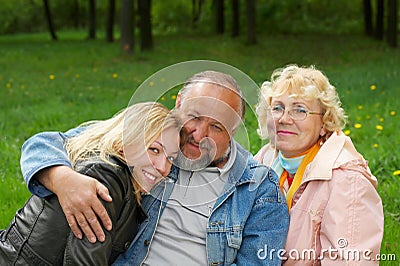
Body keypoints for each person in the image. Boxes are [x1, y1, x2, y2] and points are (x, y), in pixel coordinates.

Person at [20, 70, 289, 265]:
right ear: (179, 103)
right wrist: (62, 179)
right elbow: (44, 143)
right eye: (194, 117)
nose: (199, 134)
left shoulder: (258, 187)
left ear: (232, 133)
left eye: (216, 127)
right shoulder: (150, 138)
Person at [1, 102, 181, 265]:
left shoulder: (127, 176)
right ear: (125, 143)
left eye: (171, 158)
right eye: (154, 149)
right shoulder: (105, 179)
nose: (163, 168)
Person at [254, 65, 384, 265]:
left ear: (324, 123)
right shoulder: (264, 159)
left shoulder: (348, 183)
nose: (284, 118)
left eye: (300, 110)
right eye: (278, 107)